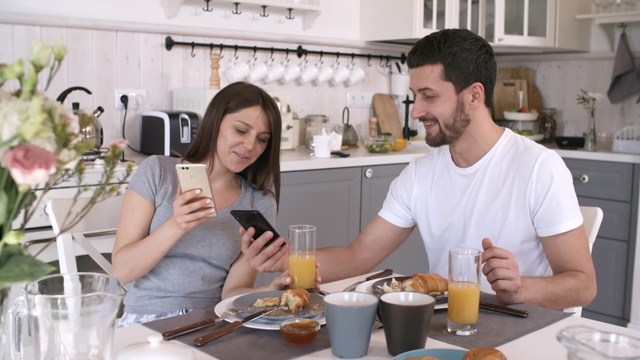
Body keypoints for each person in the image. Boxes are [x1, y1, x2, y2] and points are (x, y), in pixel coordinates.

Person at [242, 29, 597, 310]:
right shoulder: (420, 174)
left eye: (429, 96)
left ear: (474, 95)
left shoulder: (538, 167)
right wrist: (283, 260)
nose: (415, 111)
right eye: (415, 96)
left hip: (519, 329)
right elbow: (357, 257)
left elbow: (583, 285)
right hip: (447, 325)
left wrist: (522, 288)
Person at [112, 81, 291, 327]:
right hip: (147, 322)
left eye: (262, 139)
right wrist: (177, 225)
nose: (250, 146)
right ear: (215, 123)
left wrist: (268, 293)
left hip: (212, 324)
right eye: (241, 131)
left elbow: (232, 292)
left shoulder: (259, 202)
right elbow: (121, 271)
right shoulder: (157, 172)